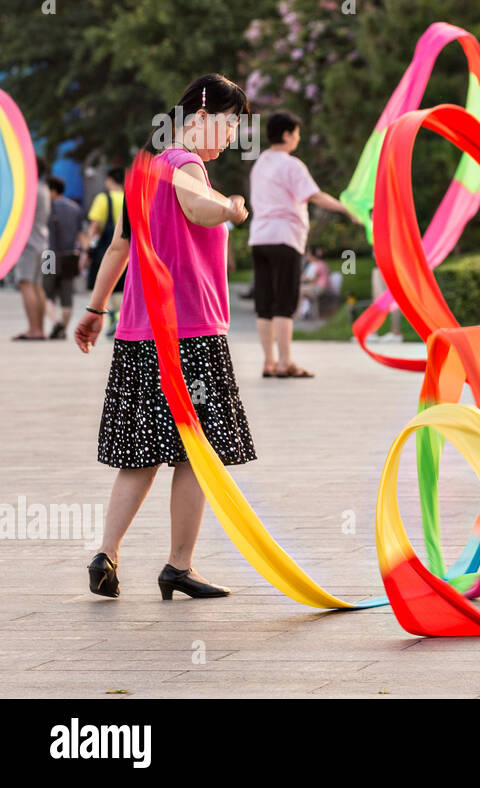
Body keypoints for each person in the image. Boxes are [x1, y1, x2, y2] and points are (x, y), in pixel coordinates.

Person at [74, 73, 254, 601]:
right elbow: (198, 206)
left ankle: (107, 552)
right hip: (189, 332)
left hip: (138, 333)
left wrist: (95, 309)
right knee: (198, 452)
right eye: (229, 124)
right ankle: (179, 565)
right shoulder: (184, 164)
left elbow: (118, 248)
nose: (230, 137)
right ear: (199, 117)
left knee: (142, 452)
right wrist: (231, 207)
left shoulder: (144, 168)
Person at [247, 110, 359, 377]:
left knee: (265, 303)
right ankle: (285, 363)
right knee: (284, 303)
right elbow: (315, 196)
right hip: (284, 238)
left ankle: (269, 362)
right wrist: (346, 210)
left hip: (259, 238)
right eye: (296, 133)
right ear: (287, 134)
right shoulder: (291, 164)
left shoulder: (260, 162)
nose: (298, 138)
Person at [11, 158, 51, 340]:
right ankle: (39, 329)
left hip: (28, 243)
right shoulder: (44, 189)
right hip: (42, 242)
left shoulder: (30, 190)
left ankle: (34, 330)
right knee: (36, 286)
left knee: (25, 284)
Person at [85, 166, 126, 332]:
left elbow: (95, 226)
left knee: (99, 283)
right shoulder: (129, 197)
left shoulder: (103, 198)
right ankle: (118, 317)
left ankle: (111, 316)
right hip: (128, 248)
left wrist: (88, 248)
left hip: (106, 248)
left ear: (109, 180)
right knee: (121, 286)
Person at [43, 175, 84, 339]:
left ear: (53, 191)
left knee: (45, 293)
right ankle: (63, 329)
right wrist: (84, 255)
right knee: (67, 297)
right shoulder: (75, 208)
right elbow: (81, 235)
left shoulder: (47, 207)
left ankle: (55, 323)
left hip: (49, 256)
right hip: (69, 256)